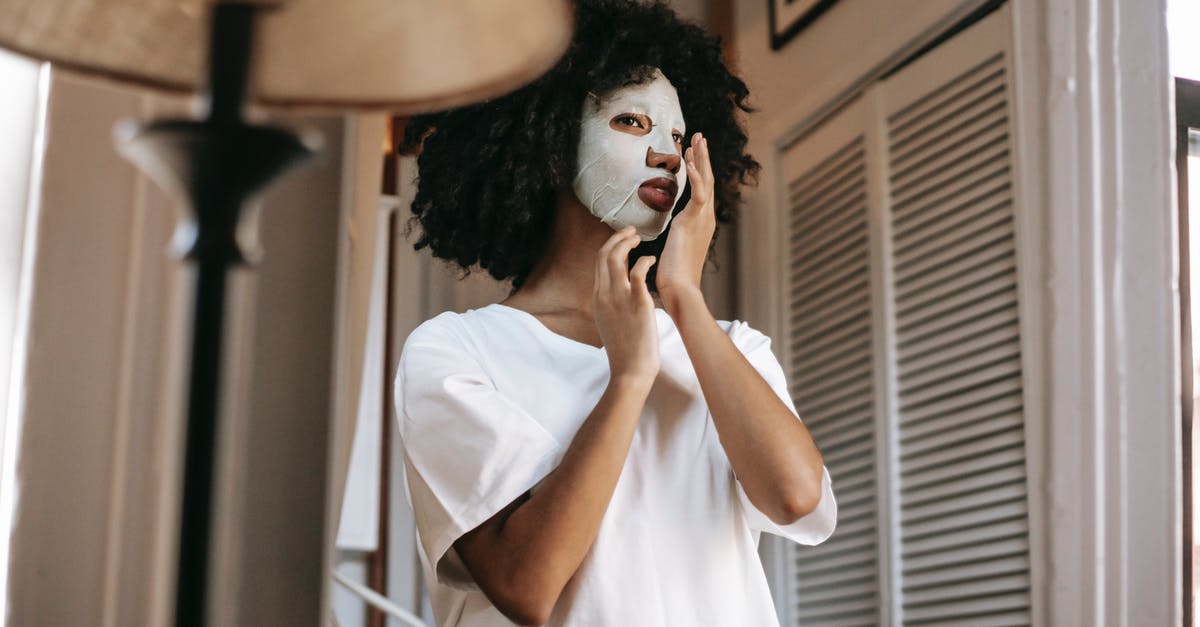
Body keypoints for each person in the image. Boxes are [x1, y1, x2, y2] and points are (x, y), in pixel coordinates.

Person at [393, 1, 836, 624]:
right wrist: (628, 379)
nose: (667, 154)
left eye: (679, 137)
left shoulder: (728, 346)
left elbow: (795, 497)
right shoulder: (456, 353)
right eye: (632, 121)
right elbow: (528, 583)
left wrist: (683, 298)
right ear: (546, 138)